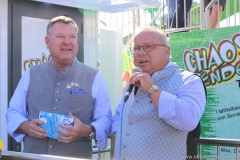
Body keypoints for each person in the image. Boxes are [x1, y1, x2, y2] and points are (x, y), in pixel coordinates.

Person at [5, 16, 112, 159]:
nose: (67, 42)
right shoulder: (31, 74)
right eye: (60, 36)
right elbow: (13, 112)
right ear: (47, 42)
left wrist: (86, 130)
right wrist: (26, 126)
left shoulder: (94, 77)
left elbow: (105, 118)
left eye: (72, 37)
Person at [111, 26, 206, 159]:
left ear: (166, 52)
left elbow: (189, 120)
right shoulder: (133, 81)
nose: (141, 52)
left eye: (148, 46)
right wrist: (116, 136)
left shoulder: (189, 81)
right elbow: (119, 114)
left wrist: (152, 89)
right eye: (136, 48)